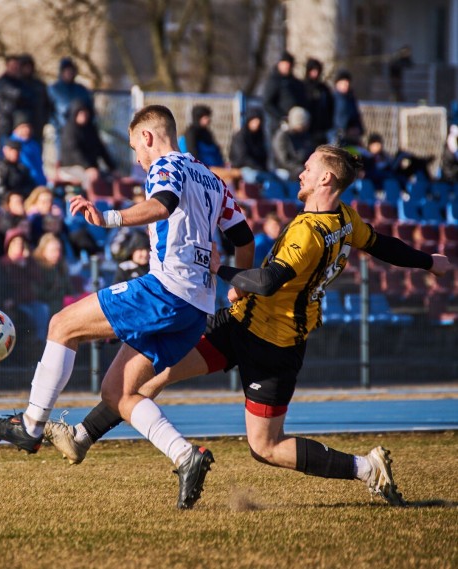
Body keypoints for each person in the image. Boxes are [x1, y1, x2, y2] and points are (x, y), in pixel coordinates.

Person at [43, 145, 452, 509]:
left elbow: (268, 280)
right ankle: (82, 437)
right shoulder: (345, 219)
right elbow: (383, 245)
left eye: (307, 168)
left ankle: (366, 469)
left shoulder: (309, 234)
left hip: (274, 347)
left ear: (326, 178)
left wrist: (222, 271)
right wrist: (430, 261)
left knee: (265, 446)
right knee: (150, 375)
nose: (300, 174)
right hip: (238, 325)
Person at [0, 105, 255, 510]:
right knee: (118, 391)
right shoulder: (213, 180)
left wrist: (107, 216)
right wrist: (238, 288)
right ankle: (186, 456)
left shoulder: (164, 165)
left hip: (165, 290)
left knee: (62, 324)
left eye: (134, 148)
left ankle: (31, 426)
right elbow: (244, 239)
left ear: (147, 137)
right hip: (196, 309)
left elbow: (162, 204)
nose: (137, 159)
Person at [58, 100, 118, 191]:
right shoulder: (69, 130)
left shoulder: (91, 130)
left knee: (111, 179)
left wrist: (112, 168)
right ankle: (87, 200)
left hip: (91, 168)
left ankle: (109, 204)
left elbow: (101, 149)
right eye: (80, 113)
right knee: (90, 178)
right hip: (71, 167)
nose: (84, 116)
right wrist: (88, 167)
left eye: (85, 113)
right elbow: (75, 152)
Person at [49, 57, 94, 161]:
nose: (69, 74)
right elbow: (48, 109)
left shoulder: (81, 89)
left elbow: (89, 107)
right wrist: (55, 124)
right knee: (62, 156)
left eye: (71, 71)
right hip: (62, 129)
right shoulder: (54, 89)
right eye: (66, 71)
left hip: (81, 130)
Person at [262, 51, 307, 137]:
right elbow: (267, 103)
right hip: (279, 125)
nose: (287, 67)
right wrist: (281, 117)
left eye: (289, 65)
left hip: (297, 124)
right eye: (285, 64)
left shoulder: (296, 82)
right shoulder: (274, 81)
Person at [0, 55, 29, 156]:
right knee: (5, 152)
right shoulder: (2, 82)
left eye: (17, 66)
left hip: (16, 124)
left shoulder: (20, 82)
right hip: (5, 124)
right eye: (13, 66)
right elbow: (16, 94)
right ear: (7, 66)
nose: (15, 68)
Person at [272, 106, 313, 180]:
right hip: (284, 169)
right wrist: (300, 168)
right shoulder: (282, 136)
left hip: (300, 167)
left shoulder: (304, 135)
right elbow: (284, 160)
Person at [19, 54, 51, 145]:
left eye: (29, 66)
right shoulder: (16, 84)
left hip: (37, 125)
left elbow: (47, 105)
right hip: (20, 127)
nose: (27, 69)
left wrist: (44, 120)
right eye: (25, 66)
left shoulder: (39, 85)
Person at [303, 58, 334, 146]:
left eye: (317, 71)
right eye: (313, 71)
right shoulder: (302, 87)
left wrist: (328, 125)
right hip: (307, 128)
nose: (315, 74)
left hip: (322, 129)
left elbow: (330, 107)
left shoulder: (324, 89)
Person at [10, 112, 47, 187]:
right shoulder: (12, 145)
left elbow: (39, 165)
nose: (27, 130)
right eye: (23, 127)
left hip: (37, 182)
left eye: (28, 127)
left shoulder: (33, 144)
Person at [229, 107, 269, 174]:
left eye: (259, 121)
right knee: (257, 176)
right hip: (242, 168)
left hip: (258, 168)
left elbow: (263, 155)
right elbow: (241, 158)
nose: (257, 123)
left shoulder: (260, 136)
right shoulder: (240, 136)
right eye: (255, 120)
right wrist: (257, 167)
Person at [332, 70, 363, 145]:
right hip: (336, 136)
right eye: (343, 82)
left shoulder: (351, 99)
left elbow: (356, 116)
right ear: (337, 83)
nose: (346, 84)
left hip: (350, 137)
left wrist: (358, 129)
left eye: (348, 82)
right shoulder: (332, 98)